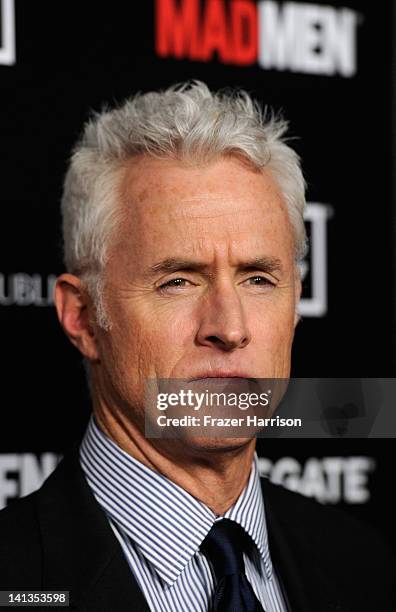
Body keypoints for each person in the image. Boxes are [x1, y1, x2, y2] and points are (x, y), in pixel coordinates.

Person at [0, 81, 394, 612]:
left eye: (258, 279)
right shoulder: (17, 579)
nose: (229, 329)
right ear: (84, 317)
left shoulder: (365, 565)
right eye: (178, 281)